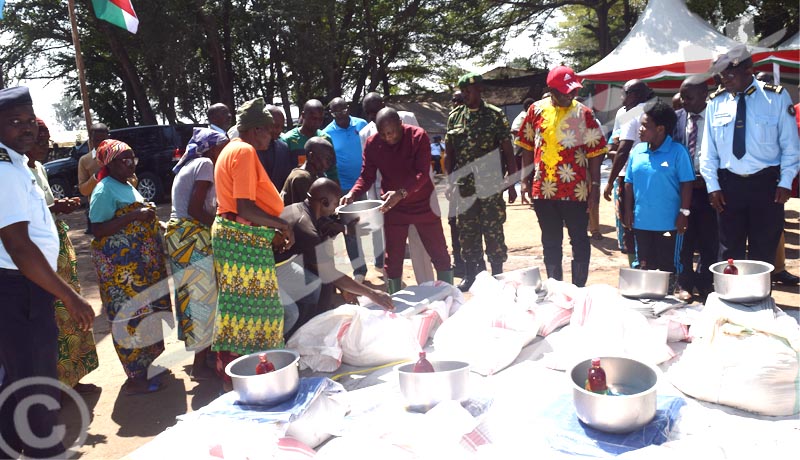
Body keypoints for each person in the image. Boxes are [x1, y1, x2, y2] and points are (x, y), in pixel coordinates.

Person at [0, 87, 94, 458]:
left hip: (24, 289)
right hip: (18, 290)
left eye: (29, 120)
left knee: (21, 384)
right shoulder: (5, 172)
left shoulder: (18, 165)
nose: (26, 129)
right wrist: (69, 296)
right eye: (13, 122)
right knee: (37, 388)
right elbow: (20, 247)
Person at [211, 97, 295, 391]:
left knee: (239, 310)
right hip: (240, 239)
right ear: (256, 129)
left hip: (237, 236)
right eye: (269, 130)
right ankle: (255, 376)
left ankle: (239, 375)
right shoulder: (244, 151)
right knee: (259, 313)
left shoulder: (230, 149)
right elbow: (244, 207)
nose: (272, 136)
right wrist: (281, 224)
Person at [700, 45, 799, 270]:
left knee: (763, 251)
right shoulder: (716, 101)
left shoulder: (775, 97)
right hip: (728, 186)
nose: (724, 78)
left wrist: (785, 182)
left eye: (730, 72)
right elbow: (708, 151)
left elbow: (791, 146)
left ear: (748, 70)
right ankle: (731, 300)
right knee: (728, 251)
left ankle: (759, 300)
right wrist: (712, 186)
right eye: (722, 73)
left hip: (766, 186)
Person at [90, 139, 172, 395]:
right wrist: (135, 215)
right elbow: (97, 228)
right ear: (109, 163)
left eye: (132, 158)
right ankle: (136, 376)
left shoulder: (127, 184)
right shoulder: (104, 190)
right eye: (124, 159)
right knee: (130, 317)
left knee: (147, 312)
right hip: (122, 271)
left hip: (142, 267)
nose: (130, 164)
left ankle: (148, 365)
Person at [515, 66, 607, 287]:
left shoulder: (584, 113)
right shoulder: (535, 110)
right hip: (543, 190)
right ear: (551, 90)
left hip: (576, 191)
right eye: (565, 91)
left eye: (573, 90)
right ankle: (556, 288)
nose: (571, 95)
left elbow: (595, 151)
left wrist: (594, 187)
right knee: (550, 242)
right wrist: (525, 180)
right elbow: (526, 146)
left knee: (580, 240)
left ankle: (578, 289)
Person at [343, 108, 453, 293]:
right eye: (383, 133)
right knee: (393, 258)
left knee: (439, 252)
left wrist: (400, 193)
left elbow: (422, 173)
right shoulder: (372, 143)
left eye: (391, 132)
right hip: (394, 209)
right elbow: (366, 175)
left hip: (423, 204)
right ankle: (394, 300)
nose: (388, 137)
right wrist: (353, 193)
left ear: (400, 125)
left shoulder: (418, 136)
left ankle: (450, 294)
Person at [28, 118, 99, 394]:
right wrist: (55, 207)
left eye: (46, 140)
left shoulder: (40, 169)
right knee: (53, 317)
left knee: (69, 317)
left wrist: (57, 208)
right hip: (39, 253)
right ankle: (55, 386)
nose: (44, 146)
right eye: (38, 141)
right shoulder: (16, 171)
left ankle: (74, 378)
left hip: (57, 245)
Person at [277, 178, 394, 337]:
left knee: (317, 286)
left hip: (282, 263)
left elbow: (326, 225)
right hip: (267, 269)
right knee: (298, 307)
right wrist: (373, 294)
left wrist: (346, 229)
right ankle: (293, 339)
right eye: (335, 203)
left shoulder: (299, 208)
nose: (336, 208)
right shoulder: (306, 227)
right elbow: (330, 273)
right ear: (324, 202)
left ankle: (306, 329)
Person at [165, 128, 228, 380]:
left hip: (183, 237)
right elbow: (194, 208)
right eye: (222, 147)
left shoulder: (193, 165)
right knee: (202, 298)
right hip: (191, 235)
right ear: (212, 148)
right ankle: (200, 365)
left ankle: (205, 357)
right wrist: (218, 227)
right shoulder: (204, 164)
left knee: (193, 297)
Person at [445, 72, 518, 291]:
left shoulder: (495, 116)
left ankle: (497, 276)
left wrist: (512, 182)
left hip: (491, 185)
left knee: (493, 229)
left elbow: (507, 150)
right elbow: (450, 153)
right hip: (465, 188)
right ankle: (471, 276)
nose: (466, 95)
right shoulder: (455, 117)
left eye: (469, 90)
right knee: (467, 232)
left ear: (480, 90)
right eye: (463, 91)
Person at [359, 91, 433, 284]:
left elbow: (420, 162)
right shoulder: (365, 133)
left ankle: (426, 286)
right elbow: (368, 173)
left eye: (375, 111)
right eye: (369, 113)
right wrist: (373, 203)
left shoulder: (408, 118)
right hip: (388, 200)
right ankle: (396, 294)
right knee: (393, 251)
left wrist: (410, 190)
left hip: (416, 192)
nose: (373, 117)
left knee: (421, 245)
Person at [623, 100, 694, 281]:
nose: (640, 129)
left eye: (646, 126)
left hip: (668, 223)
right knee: (644, 264)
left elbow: (687, 184)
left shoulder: (678, 152)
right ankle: (647, 298)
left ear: (661, 129)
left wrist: (683, 214)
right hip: (641, 222)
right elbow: (629, 183)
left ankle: (673, 291)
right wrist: (627, 210)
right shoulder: (637, 151)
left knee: (668, 264)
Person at [673, 77, 718, 300]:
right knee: (685, 238)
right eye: (681, 96)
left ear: (704, 94)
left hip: (711, 188)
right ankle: (685, 284)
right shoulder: (678, 119)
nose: (683, 101)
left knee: (710, 239)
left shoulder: (717, 116)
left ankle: (706, 283)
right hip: (684, 190)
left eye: (688, 97)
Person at [603, 79, 653, 265]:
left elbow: (623, 149)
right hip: (633, 172)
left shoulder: (640, 112)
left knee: (631, 221)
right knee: (634, 221)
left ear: (634, 95)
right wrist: (610, 148)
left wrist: (609, 181)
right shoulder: (623, 113)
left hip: (633, 175)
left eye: (624, 93)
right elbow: (615, 137)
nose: (621, 96)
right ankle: (640, 261)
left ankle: (638, 264)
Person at [323, 97, 373, 282]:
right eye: (336, 112)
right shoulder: (327, 133)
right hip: (344, 189)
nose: (341, 114)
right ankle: (360, 270)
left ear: (348, 108)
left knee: (375, 225)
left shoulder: (361, 124)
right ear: (331, 113)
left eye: (343, 110)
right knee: (350, 231)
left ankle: (380, 261)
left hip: (367, 184)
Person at [280, 99, 337, 182]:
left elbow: (332, 172)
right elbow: (282, 173)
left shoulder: (325, 139)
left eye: (320, 119)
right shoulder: (288, 140)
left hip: (321, 190)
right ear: (303, 115)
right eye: (313, 118)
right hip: (296, 190)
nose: (317, 123)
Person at [281, 136, 335, 206]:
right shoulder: (302, 178)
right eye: (327, 158)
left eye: (331, 159)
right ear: (311, 156)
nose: (329, 163)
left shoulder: (316, 175)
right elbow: (310, 210)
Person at [256, 105, 294, 191]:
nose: (279, 130)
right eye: (276, 126)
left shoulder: (283, 148)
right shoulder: (248, 149)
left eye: (282, 127)